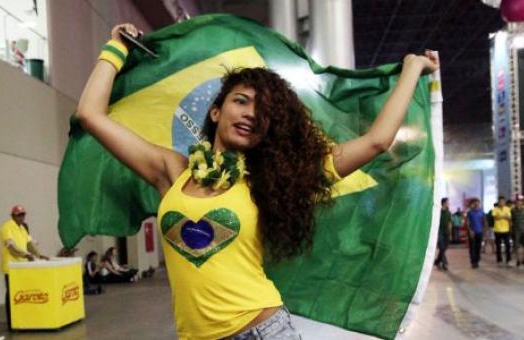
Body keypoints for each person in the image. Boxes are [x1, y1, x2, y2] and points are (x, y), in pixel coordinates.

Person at [75, 23, 439, 339]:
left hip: (263, 332)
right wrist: (116, 48)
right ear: (216, 111)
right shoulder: (170, 170)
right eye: (241, 101)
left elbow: (376, 141)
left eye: (262, 111)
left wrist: (411, 67)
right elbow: (91, 115)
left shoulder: (274, 180)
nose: (250, 114)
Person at [0, 205, 49, 331]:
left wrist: (39, 254)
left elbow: (29, 244)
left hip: (21, 268)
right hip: (11, 268)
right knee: (12, 296)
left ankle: (22, 320)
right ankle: (12, 323)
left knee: (22, 295)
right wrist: (26, 254)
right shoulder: (7, 227)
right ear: (13, 216)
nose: (22, 217)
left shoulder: (22, 228)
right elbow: (11, 248)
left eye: (23, 215)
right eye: (19, 215)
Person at [467, 198, 487, 268]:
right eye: (475, 203)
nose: (476, 204)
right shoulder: (470, 212)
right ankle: (473, 262)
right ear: (473, 204)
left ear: (479, 203)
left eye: (477, 203)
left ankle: (477, 261)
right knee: (472, 247)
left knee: (478, 247)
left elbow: (484, 222)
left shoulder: (482, 212)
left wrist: (484, 232)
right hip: (472, 232)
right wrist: (470, 230)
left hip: (480, 232)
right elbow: (468, 222)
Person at [493, 196, 512, 267]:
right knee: (498, 246)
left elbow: (509, 218)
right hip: (497, 230)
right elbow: (495, 218)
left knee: (508, 246)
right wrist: (504, 216)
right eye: (500, 201)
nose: (502, 203)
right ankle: (499, 261)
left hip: (506, 230)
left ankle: (508, 260)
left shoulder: (508, 209)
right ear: (498, 202)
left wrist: (501, 216)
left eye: (503, 201)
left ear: (504, 202)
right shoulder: (495, 209)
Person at [435, 198, 452, 271]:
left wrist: (450, 233)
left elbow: (449, 223)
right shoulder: (438, 211)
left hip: (447, 232)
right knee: (442, 247)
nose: (448, 203)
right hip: (439, 231)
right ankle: (445, 263)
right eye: (447, 202)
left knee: (444, 248)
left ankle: (437, 261)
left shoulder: (448, 212)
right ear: (444, 203)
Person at [511, 195, 524, 267]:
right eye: (518, 201)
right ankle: (518, 260)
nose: (519, 202)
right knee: (516, 246)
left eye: (521, 201)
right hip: (516, 231)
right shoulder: (512, 210)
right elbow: (511, 221)